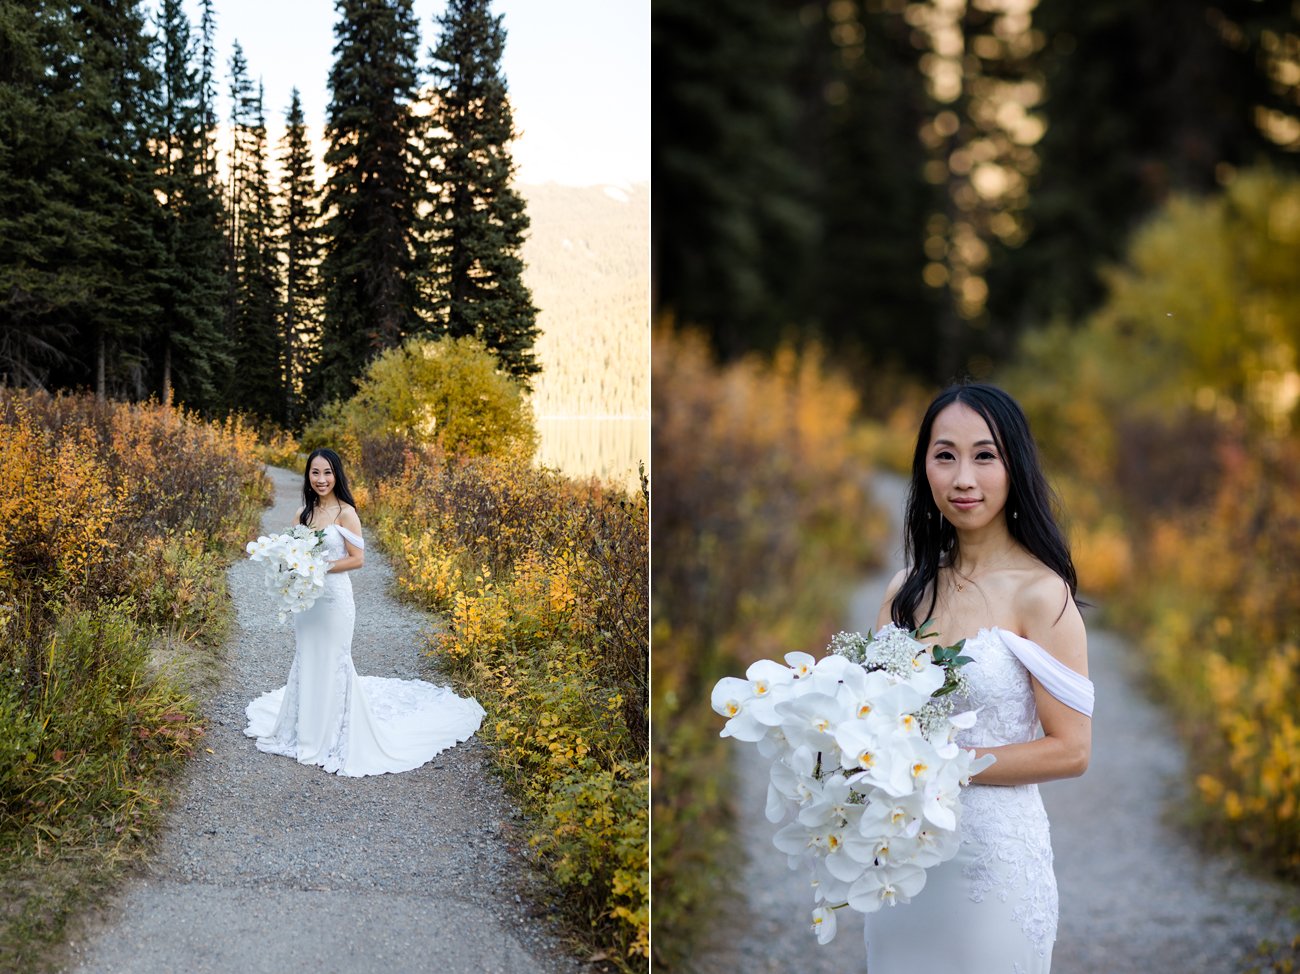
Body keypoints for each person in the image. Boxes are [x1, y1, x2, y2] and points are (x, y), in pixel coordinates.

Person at [864, 382, 1094, 973]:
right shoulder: (906, 591)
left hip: (995, 862)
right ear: (925, 469)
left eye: (984, 455)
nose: (963, 477)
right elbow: (870, 719)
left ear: (1014, 466)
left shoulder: (1043, 595)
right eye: (945, 455)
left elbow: (1071, 751)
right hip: (906, 857)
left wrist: (946, 763)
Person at [244, 447, 485, 777]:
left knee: (334, 661)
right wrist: (291, 570)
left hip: (334, 601)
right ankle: (303, 731)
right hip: (307, 604)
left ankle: (334, 737)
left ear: (336, 475)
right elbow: (290, 555)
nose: (321, 479)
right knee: (308, 658)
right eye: (315, 473)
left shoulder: (346, 513)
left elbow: (357, 559)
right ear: (307, 476)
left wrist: (319, 567)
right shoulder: (302, 515)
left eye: (327, 473)